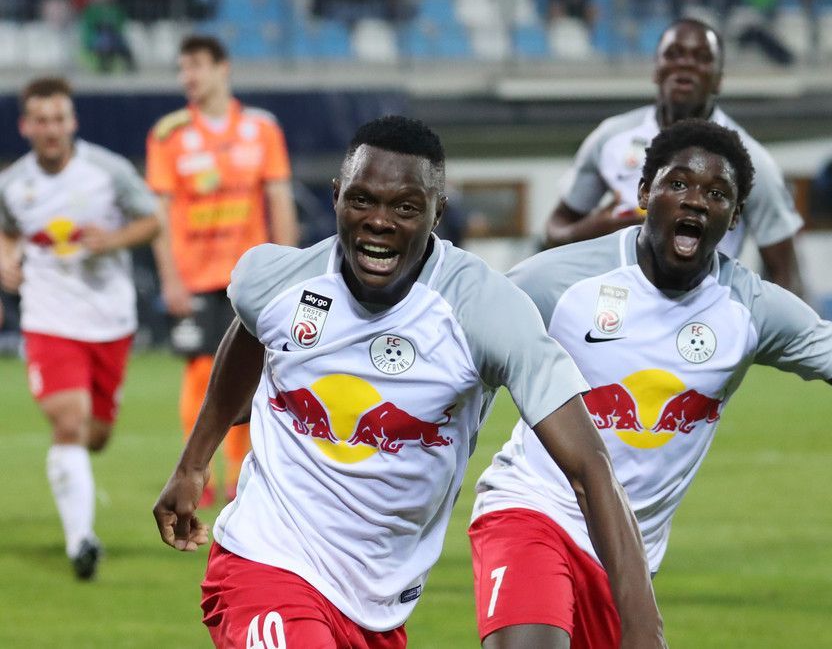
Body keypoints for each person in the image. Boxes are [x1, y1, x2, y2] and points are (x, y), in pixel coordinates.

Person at [471, 119, 832, 648]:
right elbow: (465, 335)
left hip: (625, 559)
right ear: (644, 193)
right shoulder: (560, 280)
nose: (695, 201)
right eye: (678, 184)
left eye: (717, 194)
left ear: (735, 216)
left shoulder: (751, 309)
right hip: (531, 511)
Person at [152, 115, 666, 649]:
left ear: (437, 212)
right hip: (265, 564)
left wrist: (641, 625)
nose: (378, 221)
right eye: (362, 200)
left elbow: (589, 468)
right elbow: (250, 333)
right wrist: (193, 464)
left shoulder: (484, 312)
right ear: (336, 197)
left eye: (405, 207)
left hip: (377, 607)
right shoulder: (277, 281)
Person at [0, 77, 160, 580]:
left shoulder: (108, 171)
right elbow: (8, 232)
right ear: (26, 126)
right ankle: (81, 543)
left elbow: (152, 220)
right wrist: (5, 261)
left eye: (58, 119)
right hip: (48, 318)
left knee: (96, 435)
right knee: (69, 422)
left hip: (109, 319)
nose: (51, 129)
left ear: (72, 121)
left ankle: (74, 473)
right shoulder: (13, 183)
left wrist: (111, 240)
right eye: (41, 120)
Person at [545, 17, 804, 295]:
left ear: (718, 80)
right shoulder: (610, 139)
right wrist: (593, 229)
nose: (686, 64)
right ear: (656, 69)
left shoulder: (749, 161)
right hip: (617, 305)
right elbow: (554, 231)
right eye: (674, 54)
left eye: (702, 58)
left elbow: (785, 273)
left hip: (705, 311)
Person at [147, 34, 299, 507]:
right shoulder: (169, 136)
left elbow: (279, 199)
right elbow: (159, 215)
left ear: (222, 68)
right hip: (195, 275)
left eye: (195, 65)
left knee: (251, 371)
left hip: (250, 276)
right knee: (199, 371)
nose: (187, 76)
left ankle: (240, 473)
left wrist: (290, 266)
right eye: (182, 67)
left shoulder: (261, 129)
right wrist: (169, 278)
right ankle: (200, 470)